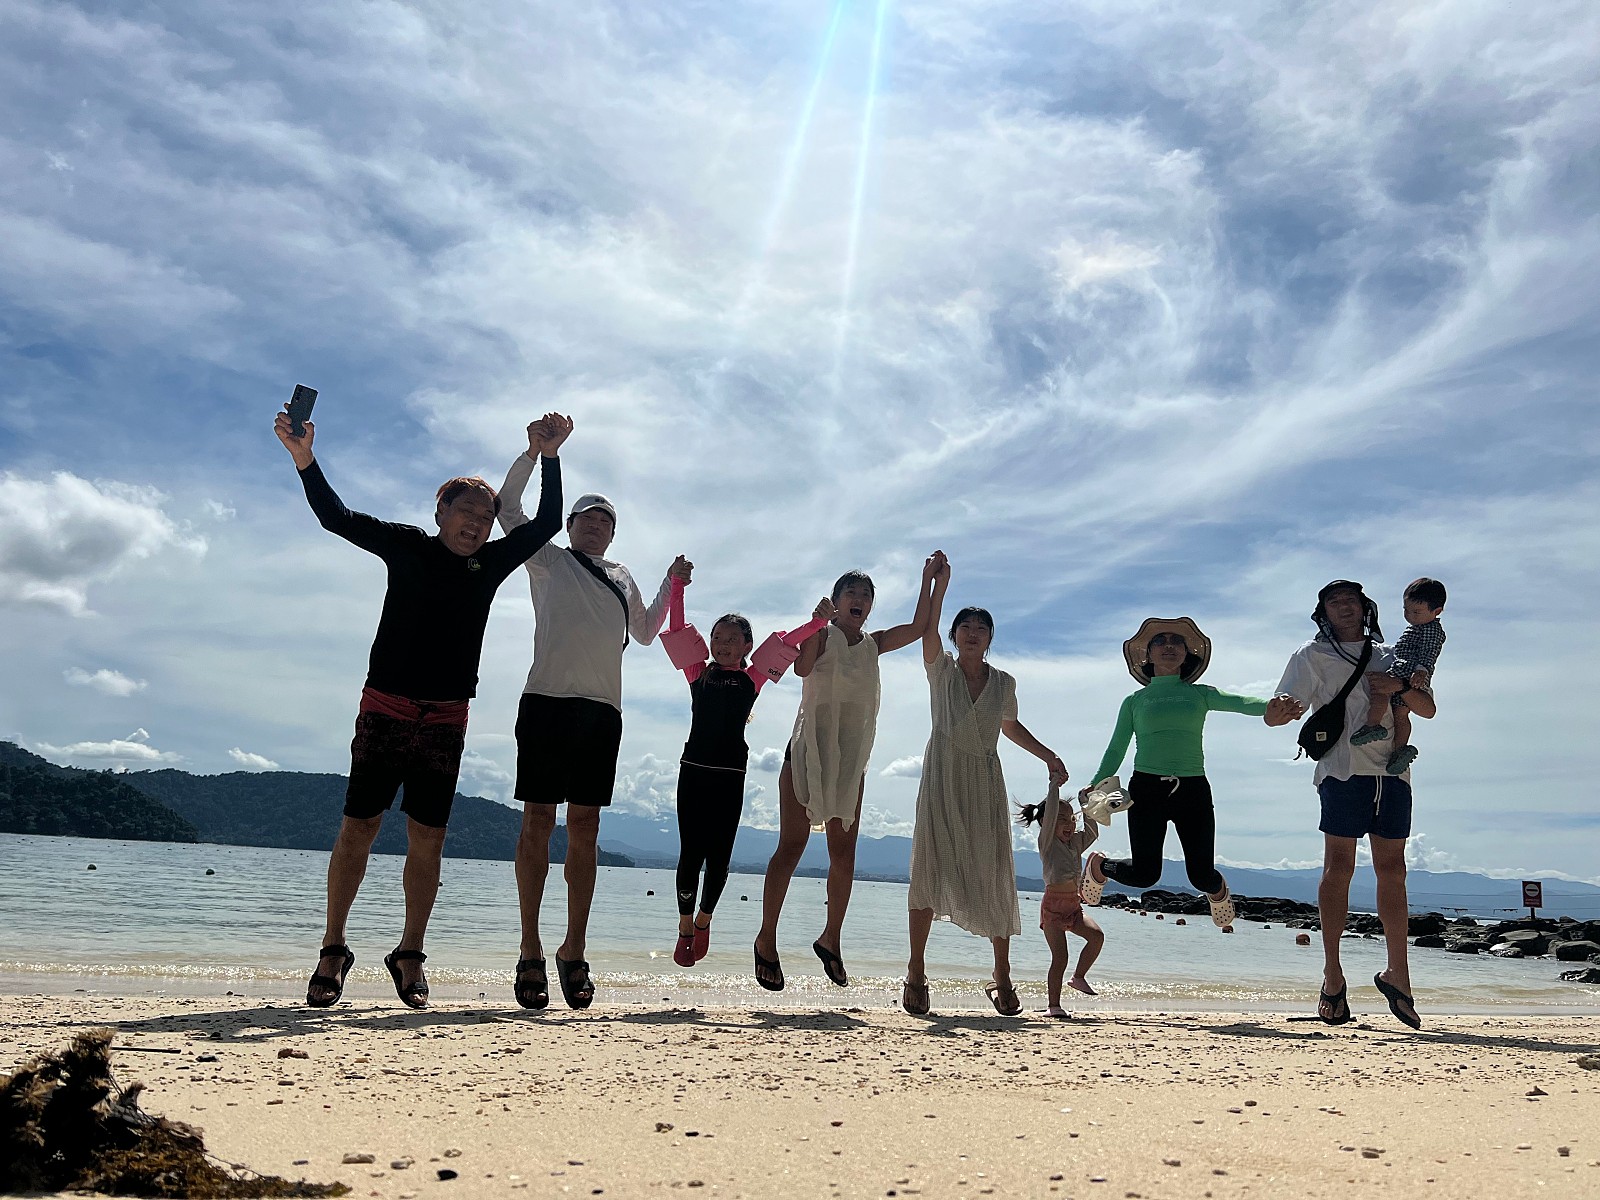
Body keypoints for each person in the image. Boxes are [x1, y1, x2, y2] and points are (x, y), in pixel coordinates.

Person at [276, 406, 569, 1010]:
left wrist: (550, 456)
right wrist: (305, 459)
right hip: (385, 709)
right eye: (467, 512)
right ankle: (333, 947)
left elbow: (546, 522)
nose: (477, 524)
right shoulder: (407, 546)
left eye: (485, 518)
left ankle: (409, 952)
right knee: (359, 827)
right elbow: (336, 518)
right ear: (441, 512)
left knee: (428, 839)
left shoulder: (489, 564)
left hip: (446, 719)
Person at [497, 450, 690, 1010]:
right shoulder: (547, 559)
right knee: (537, 820)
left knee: (585, 826)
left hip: (602, 710)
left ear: (612, 534)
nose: (596, 525)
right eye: (587, 517)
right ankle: (530, 948)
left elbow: (647, 632)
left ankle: (573, 948)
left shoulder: (622, 576)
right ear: (569, 524)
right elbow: (507, 507)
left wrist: (671, 582)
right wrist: (536, 454)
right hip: (545, 701)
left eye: (605, 520)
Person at [752, 553, 945, 991]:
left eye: (866, 595)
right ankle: (766, 938)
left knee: (845, 854)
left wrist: (930, 580)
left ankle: (831, 938)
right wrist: (814, 625)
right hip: (807, 752)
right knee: (791, 846)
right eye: (851, 593)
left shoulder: (875, 642)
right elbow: (802, 667)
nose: (859, 599)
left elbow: (919, 627)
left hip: (850, 761)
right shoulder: (822, 634)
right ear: (836, 600)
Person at [1267, 580, 1437, 1030]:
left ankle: (1398, 973)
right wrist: (1277, 711)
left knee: (1393, 870)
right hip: (1341, 770)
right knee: (1338, 867)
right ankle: (1332, 975)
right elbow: (1280, 708)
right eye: (1333, 601)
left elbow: (1426, 708)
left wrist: (1398, 684)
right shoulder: (1311, 655)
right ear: (1322, 611)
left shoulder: (1394, 653)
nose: (1343, 606)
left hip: (1393, 774)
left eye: (1351, 600)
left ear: (1366, 609)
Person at [901, 564, 1069, 1017]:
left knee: (994, 872)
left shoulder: (1004, 683)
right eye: (966, 627)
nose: (973, 633)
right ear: (954, 635)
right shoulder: (941, 671)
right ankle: (916, 971)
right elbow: (926, 631)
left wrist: (1048, 756)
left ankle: (1002, 975)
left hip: (985, 780)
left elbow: (1010, 726)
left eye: (981, 628)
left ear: (991, 637)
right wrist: (936, 586)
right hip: (942, 776)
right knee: (929, 868)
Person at [1080, 618, 1303, 929]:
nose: (1169, 646)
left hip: (1192, 790)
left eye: (1177, 642)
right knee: (1144, 875)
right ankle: (1099, 866)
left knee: (1201, 876)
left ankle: (1218, 890)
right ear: (1148, 655)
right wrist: (1095, 784)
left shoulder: (1200, 694)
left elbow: (1240, 702)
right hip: (1146, 789)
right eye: (1160, 641)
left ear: (1187, 654)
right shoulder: (1135, 701)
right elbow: (1116, 748)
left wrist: (1271, 707)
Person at [660, 572, 832, 966]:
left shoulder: (752, 679)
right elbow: (678, 629)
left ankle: (704, 920)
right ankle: (685, 924)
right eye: (717, 637)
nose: (722, 644)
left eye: (732, 639)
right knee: (691, 854)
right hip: (694, 771)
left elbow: (789, 642)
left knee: (719, 856)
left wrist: (818, 622)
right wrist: (677, 588)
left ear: (747, 646)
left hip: (730, 775)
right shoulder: (698, 673)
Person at [1018, 784, 1104, 1016]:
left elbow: (1092, 833)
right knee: (1060, 957)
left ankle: (1078, 977)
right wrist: (1054, 784)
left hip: (1074, 906)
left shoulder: (1075, 842)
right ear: (1047, 822)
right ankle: (1053, 1005)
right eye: (1062, 819)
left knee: (1096, 937)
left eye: (1072, 819)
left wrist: (1085, 803)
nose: (1069, 824)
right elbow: (1051, 813)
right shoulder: (1048, 842)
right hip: (1053, 908)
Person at [1350, 577, 1447, 775]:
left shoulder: (1431, 630)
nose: (1410, 616)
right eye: (1406, 610)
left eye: (1416, 612)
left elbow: (1429, 652)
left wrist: (1421, 670)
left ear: (1436, 611)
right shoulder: (1417, 627)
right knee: (1400, 714)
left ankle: (1373, 725)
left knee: (1380, 690)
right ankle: (1400, 749)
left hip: (1409, 670)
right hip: (1410, 670)